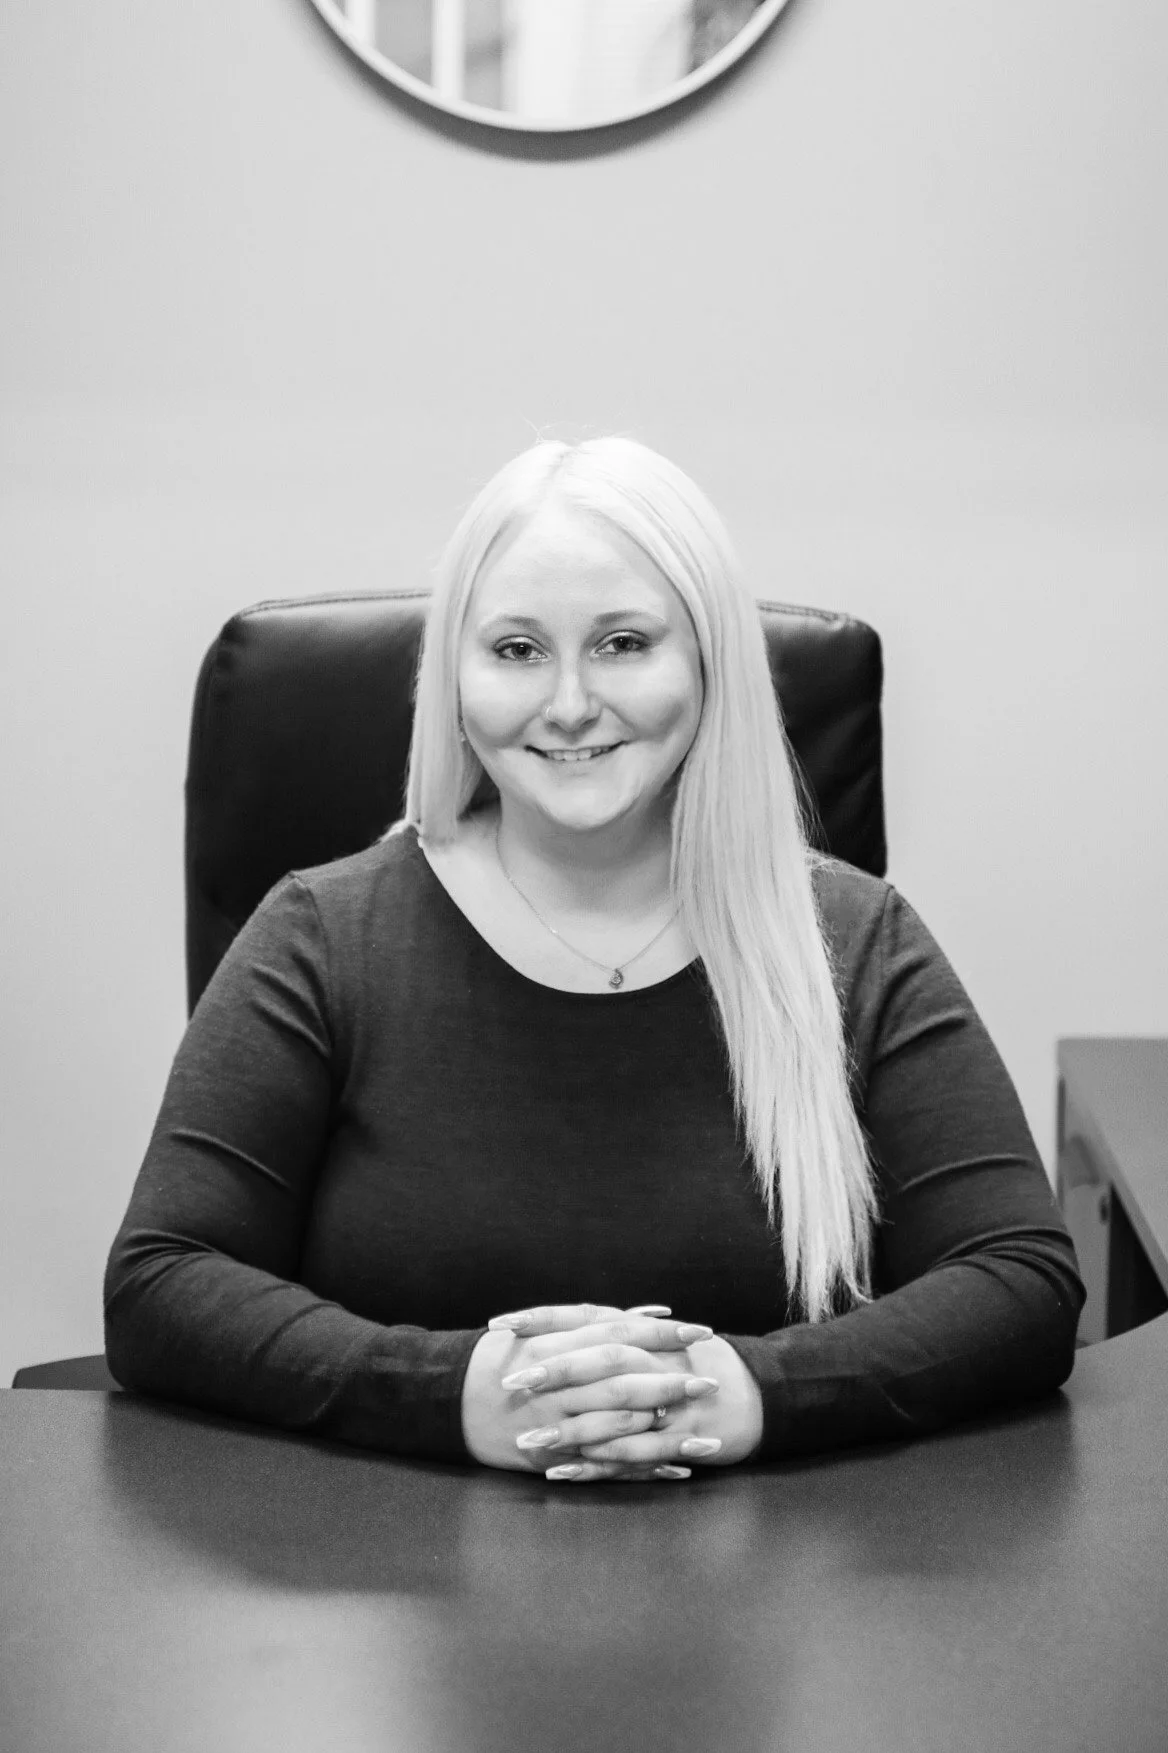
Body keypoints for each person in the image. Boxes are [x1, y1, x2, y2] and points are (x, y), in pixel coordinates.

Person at [104, 435, 1085, 1487]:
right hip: (381, 1597)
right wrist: (448, 1391)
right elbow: (162, 1282)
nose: (568, 703)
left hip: (788, 1606)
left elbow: (1019, 1278)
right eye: (517, 650)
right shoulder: (320, 937)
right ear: (453, 679)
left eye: (622, 643)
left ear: (708, 662)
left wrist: (756, 1392)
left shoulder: (853, 941)